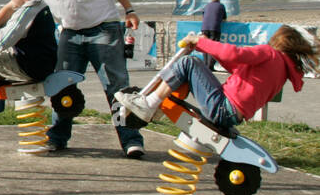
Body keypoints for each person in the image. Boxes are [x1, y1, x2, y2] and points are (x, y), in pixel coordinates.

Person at [29, 0, 144, 158]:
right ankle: (58, 137)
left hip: (104, 29)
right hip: (70, 35)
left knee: (116, 87)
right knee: (63, 88)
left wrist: (129, 10)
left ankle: (131, 140)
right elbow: (26, 9)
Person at [116, 27, 315, 129]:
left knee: (188, 63)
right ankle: (156, 106)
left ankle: (149, 103)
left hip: (223, 108)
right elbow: (236, 66)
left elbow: (234, 54)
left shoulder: (269, 53)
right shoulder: (281, 69)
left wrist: (200, 42)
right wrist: (206, 48)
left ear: (277, 41)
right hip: (232, 114)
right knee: (194, 65)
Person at [200, 0, 228, 72]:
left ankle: (205, 65)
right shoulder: (221, 6)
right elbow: (224, 18)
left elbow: (203, 16)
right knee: (214, 47)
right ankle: (210, 66)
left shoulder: (207, 5)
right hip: (214, 27)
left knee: (205, 46)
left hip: (204, 27)